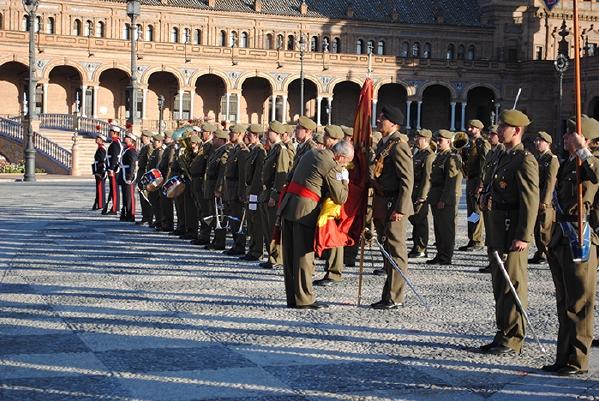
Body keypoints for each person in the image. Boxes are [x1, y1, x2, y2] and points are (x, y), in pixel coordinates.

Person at [543, 115, 599, 376]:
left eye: (569, 134)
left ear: (583, 138)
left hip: (580, 238)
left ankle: (578, 361)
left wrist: (583, 150)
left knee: (580, 302)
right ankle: (563, 356)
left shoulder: (590, 161)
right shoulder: (569, 162)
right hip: (562, 235)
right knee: (564, 301)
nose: (564, 137)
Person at [480, 109, 539, 355]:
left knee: (513, 283)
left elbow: (530, 200)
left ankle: (514, 337)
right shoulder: (502, 156)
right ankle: (503, 331)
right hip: (497, 227)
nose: (498, 129)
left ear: (516, 130)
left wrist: (523, 235)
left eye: (503, 126)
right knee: (500, 284)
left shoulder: (524, 159)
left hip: (511, 229)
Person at [279, 140, 353, 309]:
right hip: (305, 211)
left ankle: (293, 297)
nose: (346, 165)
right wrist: (344, 179)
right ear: (340, 156)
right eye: (346, 162)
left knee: (290, 257)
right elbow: (340, 197)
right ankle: (304, 299)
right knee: (303, 257)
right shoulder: (332, 165)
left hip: (289, 205)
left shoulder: (311, 153)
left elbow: (290, 176)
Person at [369, 106, 414, 309]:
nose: (379, 121)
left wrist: (401, 209)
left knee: (395, 251)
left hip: (393, 206)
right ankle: (388, 294)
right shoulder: (383, 143)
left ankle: (395, 297)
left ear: (393, 124)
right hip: (381, 203)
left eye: (382, 118)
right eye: (379, 117)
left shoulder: (398, 146)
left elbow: (407, 180)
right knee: (386, 249)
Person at [313, 125, 346, 286]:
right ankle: (329, 268)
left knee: (335, 237)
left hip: (335, 202)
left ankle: (334, 272)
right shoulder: (328, 154)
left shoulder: (340, 156)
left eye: (327, 135)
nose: (323, 137)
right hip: (326, 199)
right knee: (329, 235)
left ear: (335, 140)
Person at [426, 129, 462, 266]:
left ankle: (447, 255)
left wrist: (444, 200)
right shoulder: (440, 156)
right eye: (437, 140)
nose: (437, 142)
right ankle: (440, 253)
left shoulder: (451, 158)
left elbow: (451, 182)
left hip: (444, 197)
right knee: (438, 228)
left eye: (440, 140)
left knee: (446, 229)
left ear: (448, 142)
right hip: (436, 195)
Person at [259, 121, 291, 269]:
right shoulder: (272, 150)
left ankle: (277, 257)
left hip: (272, 194)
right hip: (265, 193)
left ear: (277, 134)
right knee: (266, 227)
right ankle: (271, 256)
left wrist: (275, 194)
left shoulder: (281, 150)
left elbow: (281, 174)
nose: (266, 133)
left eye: (269, 131)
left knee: (273, 227)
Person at [459, 119, 490, 251]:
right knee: (471, 210)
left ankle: (477, 240)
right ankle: (472, 238)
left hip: (477, 180)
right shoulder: (469, 143)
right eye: (469, 127)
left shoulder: (483, 144)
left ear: (479, 129)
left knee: (477, 211)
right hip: (470, 180)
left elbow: (484, 166)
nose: (469, 129)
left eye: (472, 127)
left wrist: (481, 184)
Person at [529, 132, 559, 265]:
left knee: (544, 228)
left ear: (548, 144)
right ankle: (540, 252)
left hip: (544, 199)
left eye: (540, 141)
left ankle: (546, 254)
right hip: (536, 196)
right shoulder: (538, 158)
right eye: (536, 140)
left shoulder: (552, 160)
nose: (537, 143)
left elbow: (550, 182)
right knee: (537, 228)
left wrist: (545, 200)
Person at [478, 125, 505, 274]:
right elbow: (486, 174)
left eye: (493, 134)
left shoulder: (501, 153)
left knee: (496, 232)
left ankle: (498, 261)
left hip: (496, 197)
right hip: (488, 195)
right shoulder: (491, 153)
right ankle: (492, 261)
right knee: (490, 232)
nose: (490, 136)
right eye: (489, 134)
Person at [223, 124, 249, 255]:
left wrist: (241, 192)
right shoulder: (234, 149)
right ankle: (235, 243)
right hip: (230, 189)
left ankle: (240, 245)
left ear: (239, 134)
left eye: (232, 133)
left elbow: (243, 174)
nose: (230, 135)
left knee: (237, 218)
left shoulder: (243, 150)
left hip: (236, 189)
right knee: (232, 218)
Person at [242, 124, 267, 261]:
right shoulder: (253, 151)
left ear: (256, 136)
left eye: (250, 135)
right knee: (250, 220)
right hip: (250, 190)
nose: (247, 137)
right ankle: (252, 248)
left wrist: (252, 192)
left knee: (256, 221)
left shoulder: (260, 152)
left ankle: (258, 250)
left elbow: (258, 176)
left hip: (255, 192)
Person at [203, 129, 232, 251]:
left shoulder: (224, 152)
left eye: (214, 138)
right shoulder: (217, 152)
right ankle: (216, 239)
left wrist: (219, 189)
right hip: (210, 185)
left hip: (216, 187)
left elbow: (222, 173)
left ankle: (220, 242)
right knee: (214, 215)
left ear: (220, 140)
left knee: (219, 215)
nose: (212, 139)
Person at [408, 129, 435, 258]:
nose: (415, 139)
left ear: (426, 140)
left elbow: (427, 178)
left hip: (420, 191)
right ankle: (416, 246)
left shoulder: (429, 156)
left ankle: (421, 248)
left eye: (418, 137)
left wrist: (422, 196)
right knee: (415, 219)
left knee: (421, 220)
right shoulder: (417, 153)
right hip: (413, 190)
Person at [190, 123, 216, 246]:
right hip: (197, 180)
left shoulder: (210, 147)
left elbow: (208, 167)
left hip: (202, 180)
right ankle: (202, 234)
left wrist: (205, 183)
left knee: (206, 211)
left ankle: (206, 235)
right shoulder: (203, 145)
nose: (201, 134)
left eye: (203, 132)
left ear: (209, 133)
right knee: (200, 210)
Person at [158, 130, 176, 231]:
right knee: (163, 203)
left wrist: (166, 181)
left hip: (166, 178)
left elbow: (170, 166)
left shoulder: (172, 149)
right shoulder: (167, 149)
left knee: (167, 203)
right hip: (163, 177)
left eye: (166, 137)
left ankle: (169, 224)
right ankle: (165, 222)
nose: (164, 138)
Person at [102, 125, 123, 216]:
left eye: (110, 131)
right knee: (113, 188)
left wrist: (111, 169)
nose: (109, 133)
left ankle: (115, 208)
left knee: (114, 188)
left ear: (115, 133)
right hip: (113, 168)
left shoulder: (115, 143)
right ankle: (114, 207)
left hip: (114, 169)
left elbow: (114, 157)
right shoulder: (115, 142)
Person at [118, 131, 138, 222]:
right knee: (125, 196)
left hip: (127, 174)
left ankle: (131, 214)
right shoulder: (126, 149)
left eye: (126, 137)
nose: (124, 138)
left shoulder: (131, 150)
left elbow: (132, 164)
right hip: (123, 173)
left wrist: (130, 176)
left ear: (130, 140)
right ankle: (127, 213)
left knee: (129, 196)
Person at [135, 130, 154, 225]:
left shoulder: (149, 147)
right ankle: (145, 216)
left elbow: (149, 163)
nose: (141, 137)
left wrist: (146, 178)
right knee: (142, 197)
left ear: (147, 137)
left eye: (143, 136)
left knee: (146, 197)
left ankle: (148, 217)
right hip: (141, 173)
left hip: (145, 175)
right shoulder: (144, 147)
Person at [146, 134, 164, 229]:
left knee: (157, 201)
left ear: (160, 142)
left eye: (155, 141)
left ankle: (160, 220)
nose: (153, 143)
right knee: (153, 200)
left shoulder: (160, 153)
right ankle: (157, 220)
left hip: (157, 180)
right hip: (152, 179)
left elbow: (158, 168)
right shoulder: (155, 152)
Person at [91, 133, 107, 211]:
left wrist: (99, 171)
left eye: (97, 138)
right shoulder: (100, 148)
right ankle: (99, 203)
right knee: (99, 187)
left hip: (100, 170)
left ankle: (100, 204)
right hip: (98, 168)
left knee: (100, 187)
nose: (96, 139)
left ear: (101, 140)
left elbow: (101, 161)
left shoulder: (101, 149)